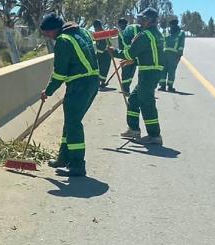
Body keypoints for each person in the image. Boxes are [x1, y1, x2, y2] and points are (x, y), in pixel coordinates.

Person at [40, 13, 99, 177]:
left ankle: (77, 165)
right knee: (70, 121)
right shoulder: (83, 32)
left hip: (80, 85)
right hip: (92, 82)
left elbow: (60, 73)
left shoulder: (63, 40)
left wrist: (48, 91)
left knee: (73, 124)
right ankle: (63, 158)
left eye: (47, 33)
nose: (48, 37)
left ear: (54, 30)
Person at [109, 8, 165, 145]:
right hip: (152, 71)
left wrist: (114, 52)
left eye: (143, 19)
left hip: (148, 73)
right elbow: (150, 54)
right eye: (140, 18)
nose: (140, 21)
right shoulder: (156, 34)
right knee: (134, 99)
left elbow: (129, 53)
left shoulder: (145, 35)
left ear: (151, 21)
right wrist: (134, 61)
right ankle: (133, 129)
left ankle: (154, 135)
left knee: (147, 104)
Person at [159, 18, 185, 92]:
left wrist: (179, 55)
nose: (172, 26)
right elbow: (161, 41)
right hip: (166, 54)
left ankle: (168, 86)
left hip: (173, 54)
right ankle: (164, 86)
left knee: (170, 70)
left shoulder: (180, 33)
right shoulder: (166, 31)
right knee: (165, 70)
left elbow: (181, 45)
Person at [117, 17, 141, 95]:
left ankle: (125, 89)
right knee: (131, 72)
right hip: (135, 53)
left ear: (120, 25)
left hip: (127, 54)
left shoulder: (121, 32)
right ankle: (126, 88)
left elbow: (120, 46)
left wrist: (122, 56)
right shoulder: (132, 29)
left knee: (125, 73)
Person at [93, 19, 112, 89]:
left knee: (104, 68)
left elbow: (103, 45)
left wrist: (98, 54)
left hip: (106, 54)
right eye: (95, 27)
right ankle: (100, 82)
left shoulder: (103, 33)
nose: (95, 29)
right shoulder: (99, 33)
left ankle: (102, 82)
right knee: (100, 68)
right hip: (101, 53)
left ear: (99, 26)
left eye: (96, 27)